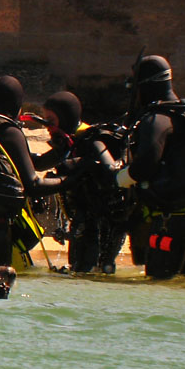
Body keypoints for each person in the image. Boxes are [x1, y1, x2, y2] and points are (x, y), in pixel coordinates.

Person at [0, 76, 72, 273]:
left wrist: (59, 153)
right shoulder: (9, 131)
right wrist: (69, 181)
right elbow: (33, 185)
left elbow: (30, 162)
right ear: (17, 103)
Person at [115, 55, 185, 278]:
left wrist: (119, 179)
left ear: (145, 86)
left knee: (159, 284)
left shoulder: (156, 119)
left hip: (172, 220)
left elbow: (146, 165)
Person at [30, 91, 127, 273]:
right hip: (83, 221)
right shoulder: (69, 144)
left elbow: (111, 169)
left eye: (51, 120)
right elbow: (40, 164)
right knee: (78, 271)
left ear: (65, 118)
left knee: (93, 272)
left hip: (103, 224)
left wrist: (81, 166)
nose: (47, 126)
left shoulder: (93, 140)